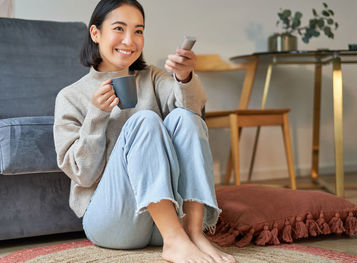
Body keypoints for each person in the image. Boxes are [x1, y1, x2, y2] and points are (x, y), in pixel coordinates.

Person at [53, 1, 236, 262]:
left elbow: (194, 110)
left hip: (166, 219)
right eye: (119, 28)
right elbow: (82, 175)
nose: (130, 40)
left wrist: (185, 77)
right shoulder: (70, 97)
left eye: (138, 31)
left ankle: (194, 234)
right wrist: (97, 115)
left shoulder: (152, 77)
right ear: (96, 33)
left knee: (186, 117)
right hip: (112, 223)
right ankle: (174, 242)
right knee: (146, 120)